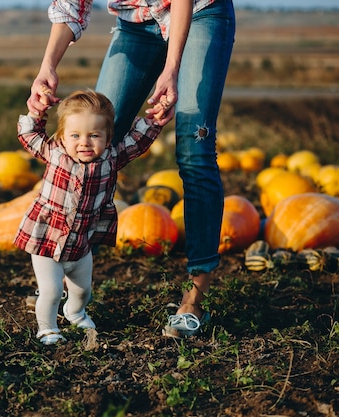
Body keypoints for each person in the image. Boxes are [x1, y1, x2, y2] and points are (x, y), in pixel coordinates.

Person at [26, 0, 236, 338]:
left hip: (199, 13)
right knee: (95, 138)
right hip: (135, 23)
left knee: (194, 149)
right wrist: (47, 65)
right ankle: (61, 279)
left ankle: (194, 298)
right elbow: (70, 5)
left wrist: (172, 68)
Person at [15, 89, 162, 345]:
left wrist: (155, 120)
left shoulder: (112, 158)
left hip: (82, 244)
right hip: (48, 240)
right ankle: (47, 328)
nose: (84, 142)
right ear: (62, 136)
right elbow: (29, 136)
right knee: (51, 290)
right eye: (75, 135)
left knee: (83, 291)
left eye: (94, 135)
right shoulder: (55, 153)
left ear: (107, 138)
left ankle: (75, 312)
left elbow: (137, 142)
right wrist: (37, 112)